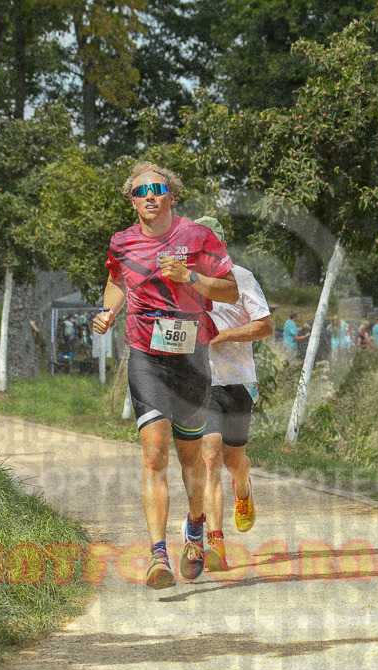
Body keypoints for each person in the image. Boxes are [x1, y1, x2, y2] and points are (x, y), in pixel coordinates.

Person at [92, 163, 238, 590]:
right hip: (145, 355)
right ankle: (158, 555)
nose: (150, 197)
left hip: (190, 358)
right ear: (133, 200)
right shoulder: (122, 242)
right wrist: (107, 311)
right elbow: (117, 279)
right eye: (141, 192)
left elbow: (229, 290)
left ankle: (195, 528)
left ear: (172, 195)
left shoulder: (199, 237)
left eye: (158, 190)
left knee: (190, 457)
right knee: (154, 453)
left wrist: (191, 277)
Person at [193, 216, 272, 572]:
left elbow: (265, 327)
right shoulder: (184, 283)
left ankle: (244, 486)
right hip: (200, 383)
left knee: (233, 461)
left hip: (238, 382)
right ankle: (216, 544)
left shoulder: (241, 277)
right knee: (209, 458)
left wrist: (223, 336)